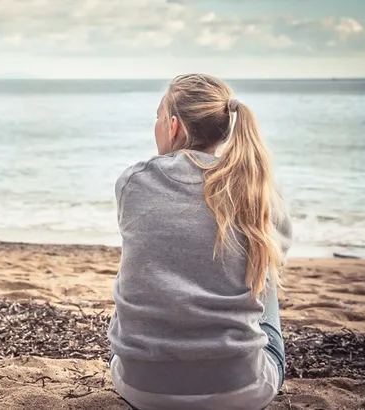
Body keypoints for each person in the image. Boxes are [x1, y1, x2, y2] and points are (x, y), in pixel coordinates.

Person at [107, 74, 292, 410]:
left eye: (158, 118)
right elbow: (278, 255)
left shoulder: (133, 181)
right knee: (263, 267)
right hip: (241, 390)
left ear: (174, 126)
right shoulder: (256, 191)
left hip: (141, 387)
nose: (157, 126)